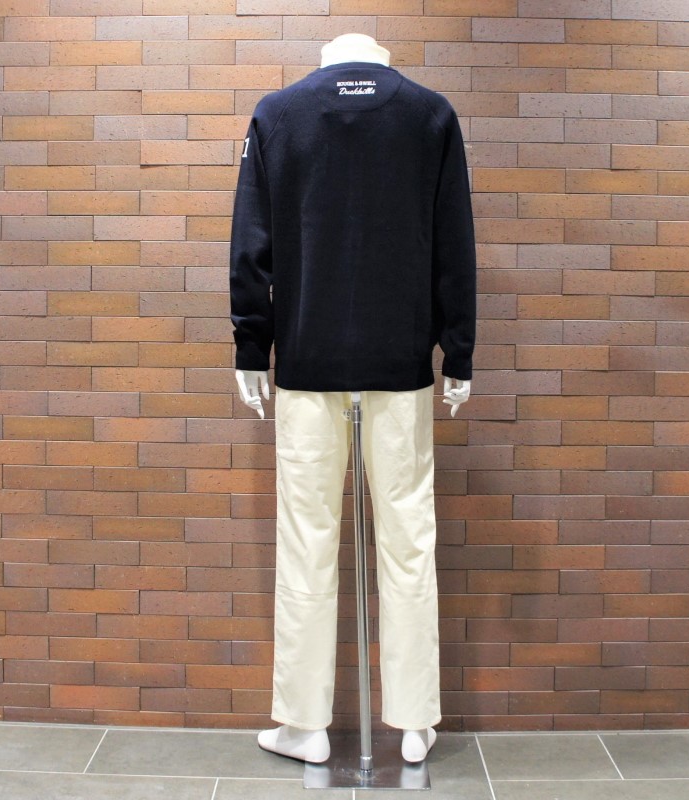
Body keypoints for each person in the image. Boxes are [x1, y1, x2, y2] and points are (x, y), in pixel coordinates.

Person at [230, 33, 476, 764]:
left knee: (306, 542)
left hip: (307, 362)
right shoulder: (430, 115)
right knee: (409, 542)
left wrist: (252, 346)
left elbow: (250, 244)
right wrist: (457, 350)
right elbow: (454, 241)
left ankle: (305, 724)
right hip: (402, 367)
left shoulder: (279, 115)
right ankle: (415, 722)